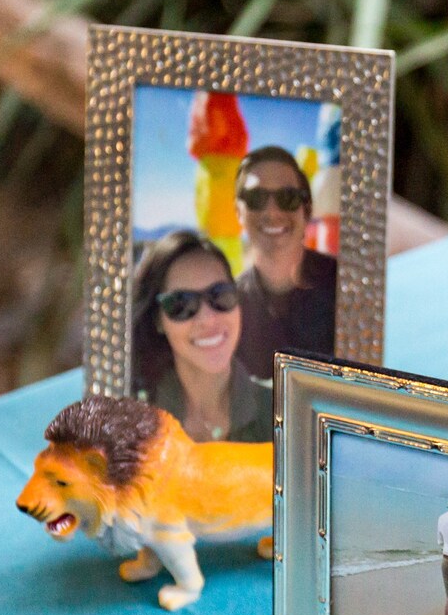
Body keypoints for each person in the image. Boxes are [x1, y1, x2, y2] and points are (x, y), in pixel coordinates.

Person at [130, 230, 270, 443]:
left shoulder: (285, 415)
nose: (207, 319)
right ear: (157, 320)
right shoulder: (133, 420)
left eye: (220, 295)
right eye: (181, 304)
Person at [234, 145, 338, 376]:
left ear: (307, 210)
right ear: (238, 212)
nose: (271, 212)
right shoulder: (227, 306)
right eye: (256, 198)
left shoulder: (344, 286)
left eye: (287, 198)